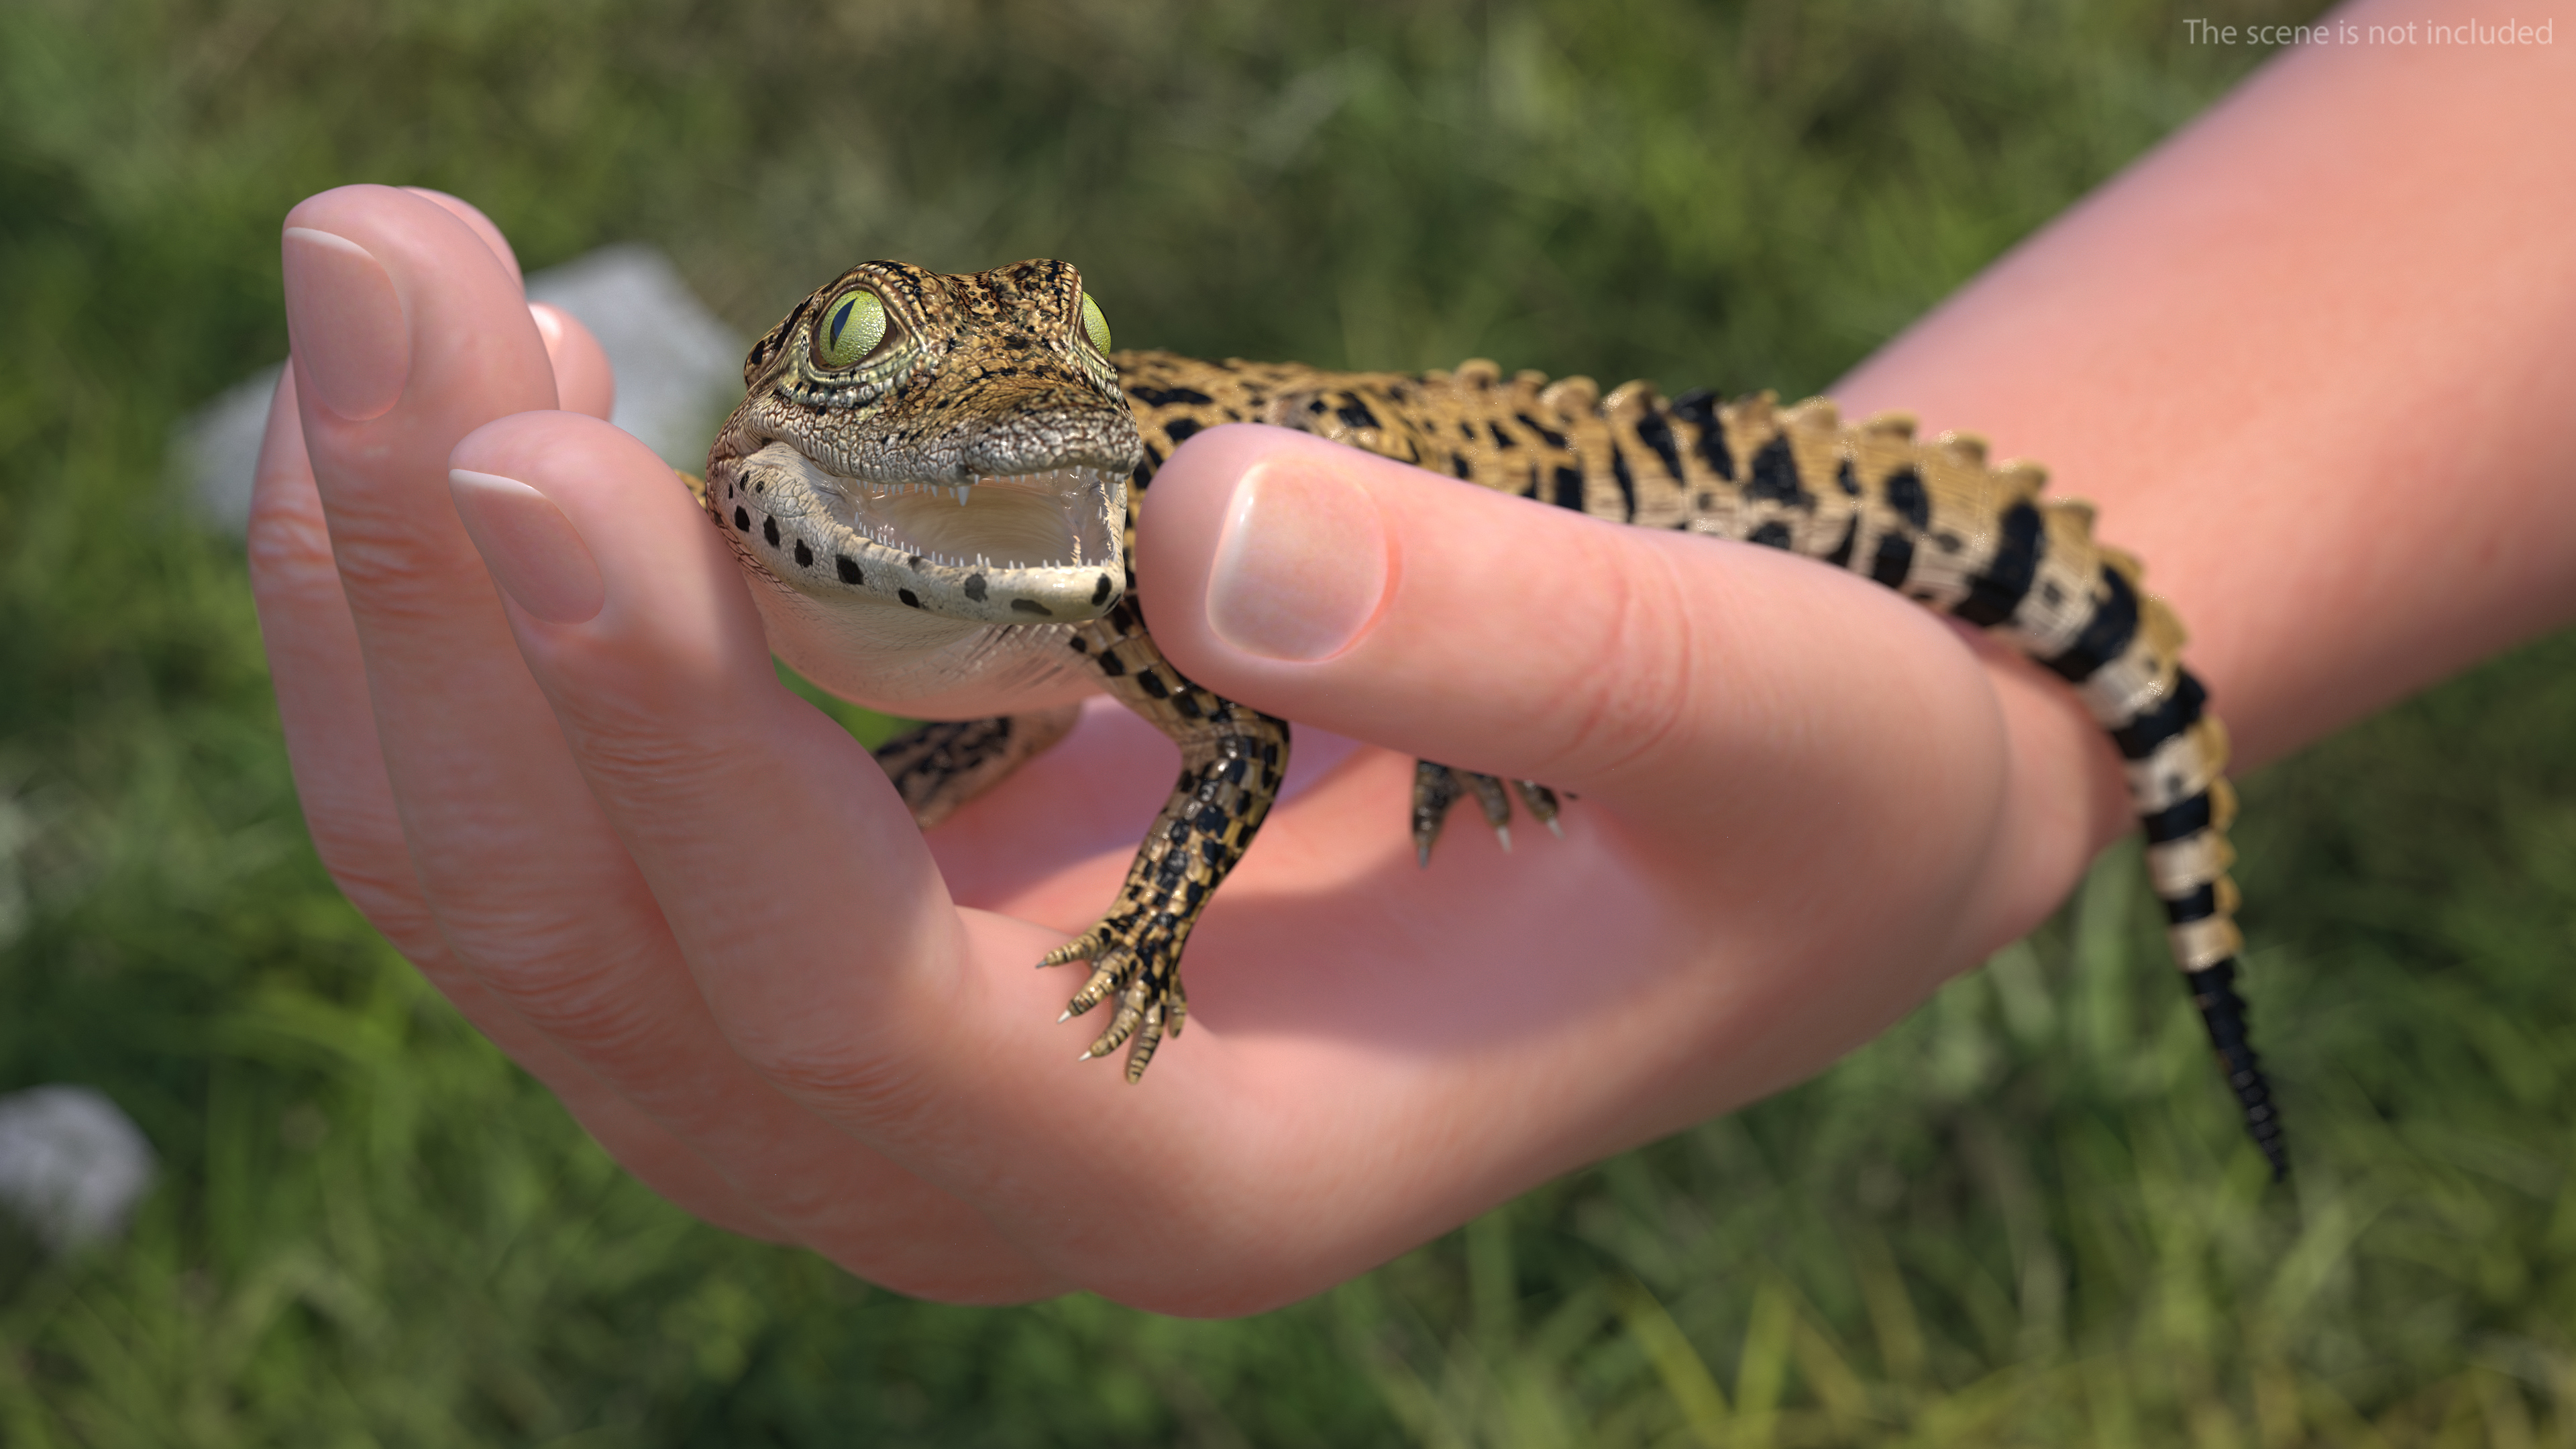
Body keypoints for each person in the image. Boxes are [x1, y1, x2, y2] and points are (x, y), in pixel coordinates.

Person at [250, 1, 2575, 1316]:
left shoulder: (1127, 562)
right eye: (865, 342)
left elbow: (1237, 711)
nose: (964, 388)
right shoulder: (946, 547)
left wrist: (1161, 925)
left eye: (1016, 360)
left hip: (1551, 463)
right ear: (794, 371)